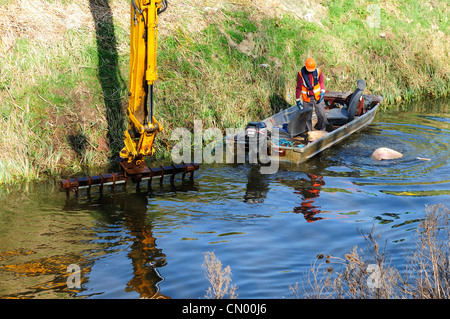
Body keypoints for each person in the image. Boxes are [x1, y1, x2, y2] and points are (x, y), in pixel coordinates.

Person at [295, 57, 329, 131]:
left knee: (322, 114)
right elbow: (298, 88)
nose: (310, 72)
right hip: (307, 98)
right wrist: (297, 99)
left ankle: (321, 128)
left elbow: (321, 82)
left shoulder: (318, 71)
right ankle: (310, 131)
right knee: (307, 117)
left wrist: (322, 91)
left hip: (318, 96)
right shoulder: (300, 74)